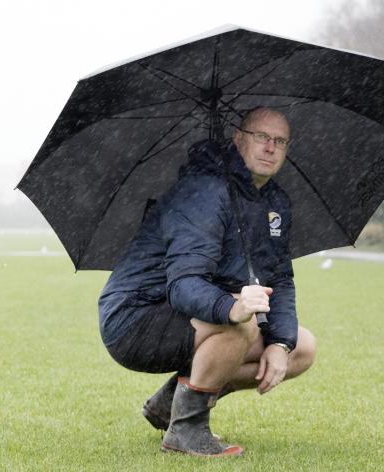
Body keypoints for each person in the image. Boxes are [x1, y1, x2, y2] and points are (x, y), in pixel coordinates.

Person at [97, 107, 316, 457]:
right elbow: (184, 284)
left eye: (280, 141)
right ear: (239, 138)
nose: (270, 147)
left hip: (189, 315)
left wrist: (280, 343)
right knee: (239, 325)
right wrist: (232, 308)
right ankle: (186, 430)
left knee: (301, 348)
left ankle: (170, 404)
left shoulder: (274, 202)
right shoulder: (203, 191)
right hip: (136, 316)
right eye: (261, 137)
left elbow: (280, 279)